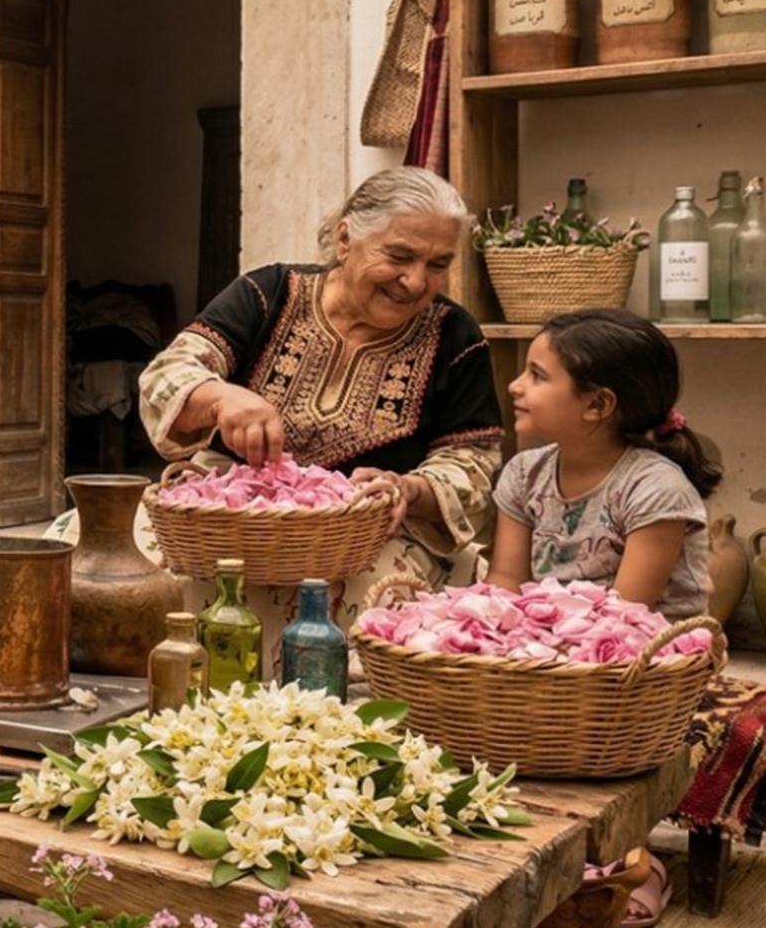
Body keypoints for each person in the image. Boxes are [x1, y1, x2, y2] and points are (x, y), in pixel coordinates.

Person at [117, 166, 505, 631]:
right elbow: (169, 372)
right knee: (108, 561)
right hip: (221, 521)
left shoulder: (455, 336)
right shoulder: (268, 293)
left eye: (438, 264)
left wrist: (409, 489)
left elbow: (473, 464)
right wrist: (220, 396)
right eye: (400, 256)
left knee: (362, 614)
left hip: (365, 536)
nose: (416, 281)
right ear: (345, 240)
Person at [487, 308, 718, 619]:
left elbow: (626, 615)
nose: (516, 385)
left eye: (537, 375)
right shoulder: (523, 474)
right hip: (548, 649)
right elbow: (506, 582)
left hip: (642, 653)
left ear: (597, 404)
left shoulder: (656, 488)